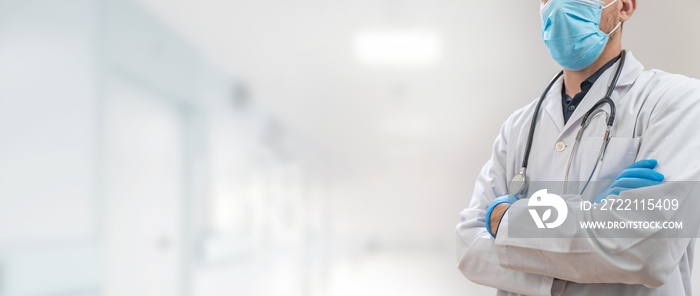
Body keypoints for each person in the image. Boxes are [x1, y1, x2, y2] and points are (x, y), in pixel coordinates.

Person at [455, 0, 700, 295]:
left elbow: (649, 251)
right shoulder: (519, 126)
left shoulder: (678, 102)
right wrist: (599, 221)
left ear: (624, 7)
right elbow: (469, 246)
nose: (559, 6)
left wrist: (510, 219)